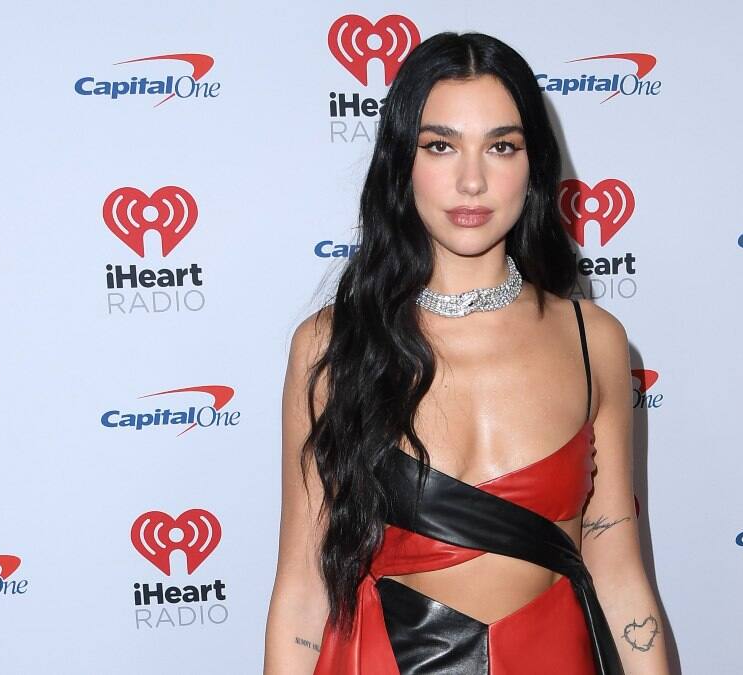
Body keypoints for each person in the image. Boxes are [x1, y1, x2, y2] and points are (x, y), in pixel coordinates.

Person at [264, 31, 669, 675]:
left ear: (534, 163)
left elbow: (618, 572)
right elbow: (304, 586)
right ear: (402, 161)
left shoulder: (593, 339)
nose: (472, 180)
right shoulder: (332, 345)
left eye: (501, 146)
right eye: (440, 145)